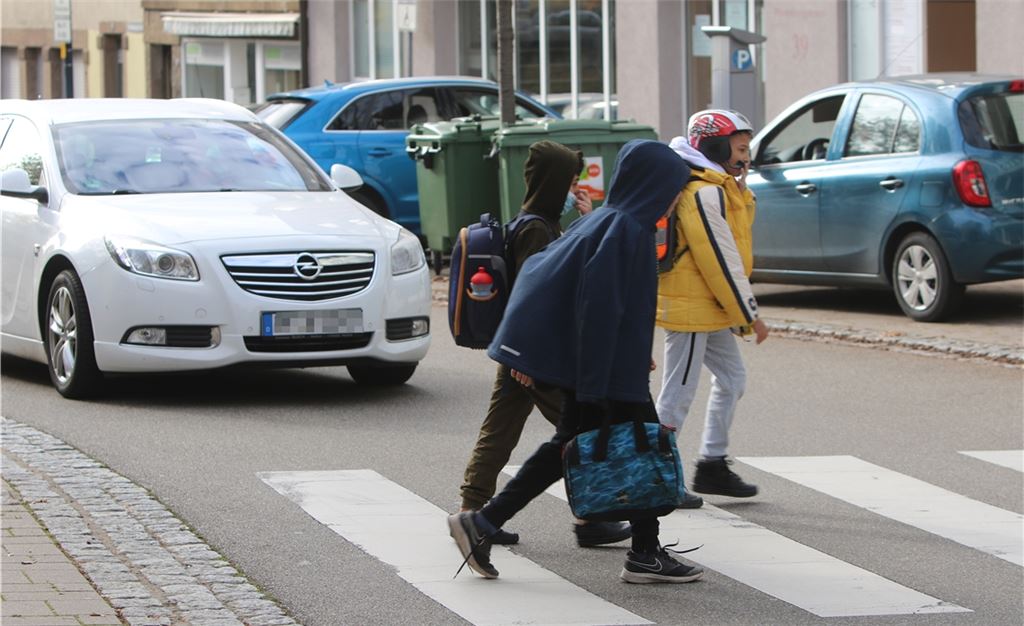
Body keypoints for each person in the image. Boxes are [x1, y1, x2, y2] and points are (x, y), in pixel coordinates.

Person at [448, 139, 705, 584]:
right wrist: (595, 383)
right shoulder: (626, 230)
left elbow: (587, 294)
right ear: (652, 185)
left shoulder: (608, 222)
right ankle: (643, 553)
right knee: (642, 446)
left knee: (578, 446)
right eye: (674, 187)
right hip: (603, 370)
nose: (677, 197)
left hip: (604, 365)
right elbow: (599, 309)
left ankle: (486, 522)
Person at [457, 140, 630, 548]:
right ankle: (590, 519)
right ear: (554, 183)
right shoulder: (536, 229)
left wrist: (585, 218)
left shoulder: (536, 223)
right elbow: (532, 294)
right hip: (535, 355)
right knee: (580, 433)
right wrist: (528, 356)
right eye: (570, 183)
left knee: (499, 432)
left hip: (522, 351)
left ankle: (470, 512)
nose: (575, 190)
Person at [655, 109, 770, 503]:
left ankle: (712, 464)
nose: (745, 157)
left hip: (708, 307)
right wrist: (749, 315)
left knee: (732, 379)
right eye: (740, 149)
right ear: (716, 147)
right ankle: (656, 478)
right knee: (676, 397)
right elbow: (720, 259)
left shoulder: (717, 185)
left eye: (747, 149)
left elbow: (735, 241)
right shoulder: (703, 192)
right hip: (691, 310)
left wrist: (741, 188)